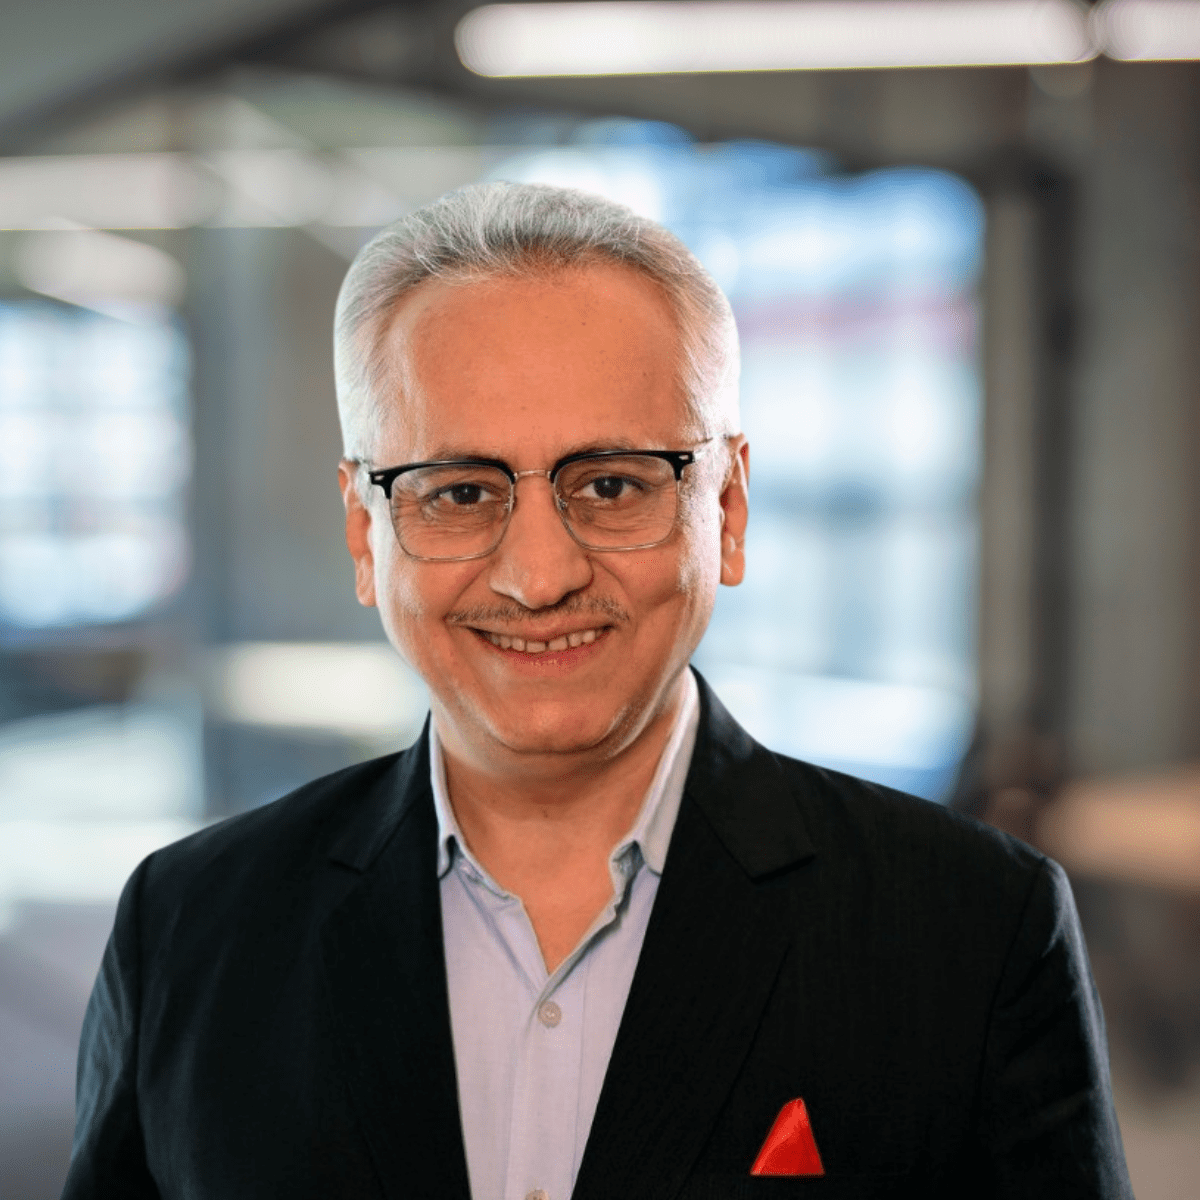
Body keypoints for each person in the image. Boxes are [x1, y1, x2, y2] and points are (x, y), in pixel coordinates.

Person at [63, 182, 1132, 1200]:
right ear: (364, 531)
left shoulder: (969, 932)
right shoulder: (193, 931)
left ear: (728, 511)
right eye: (460, 492)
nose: (540, 576)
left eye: (612, 484)